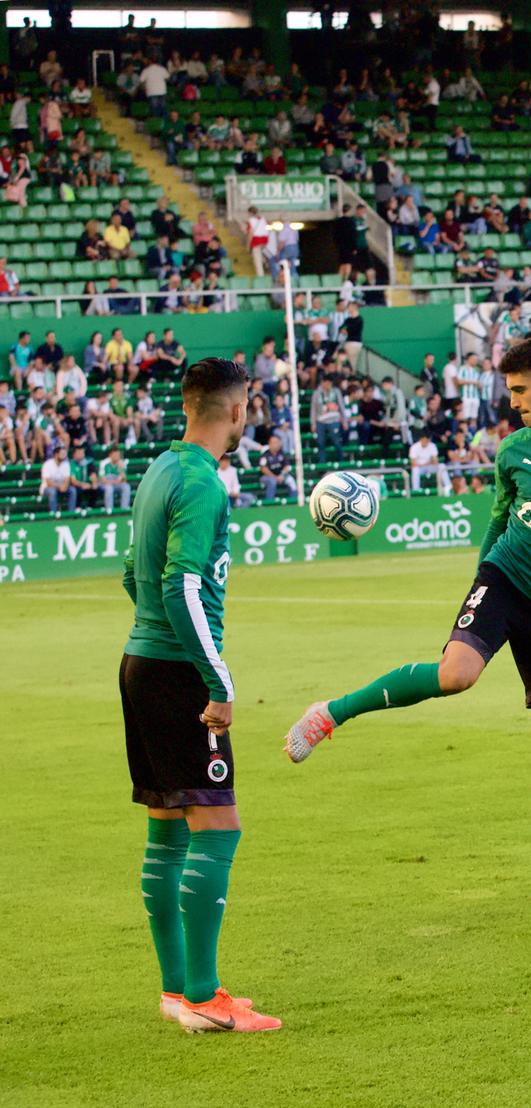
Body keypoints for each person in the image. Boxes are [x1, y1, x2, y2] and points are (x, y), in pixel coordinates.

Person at [282, 339, 531, 907]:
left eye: (518, 391)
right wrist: (480, 582)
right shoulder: (514, 450)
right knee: (455, 674)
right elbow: (499, 519)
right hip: (505, 577)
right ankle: (330, 714)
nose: (511, 403)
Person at [119, 356, 281, 1033]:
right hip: (180, 673)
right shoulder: (205, 484)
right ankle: (207, 998)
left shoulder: (160, 468)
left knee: (166, 834)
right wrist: (217, 680)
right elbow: (178, 586)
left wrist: (158, 637)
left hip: (140, 663)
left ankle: (177, 989)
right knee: (219, 825)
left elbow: (133, 573)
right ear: (238, 410)